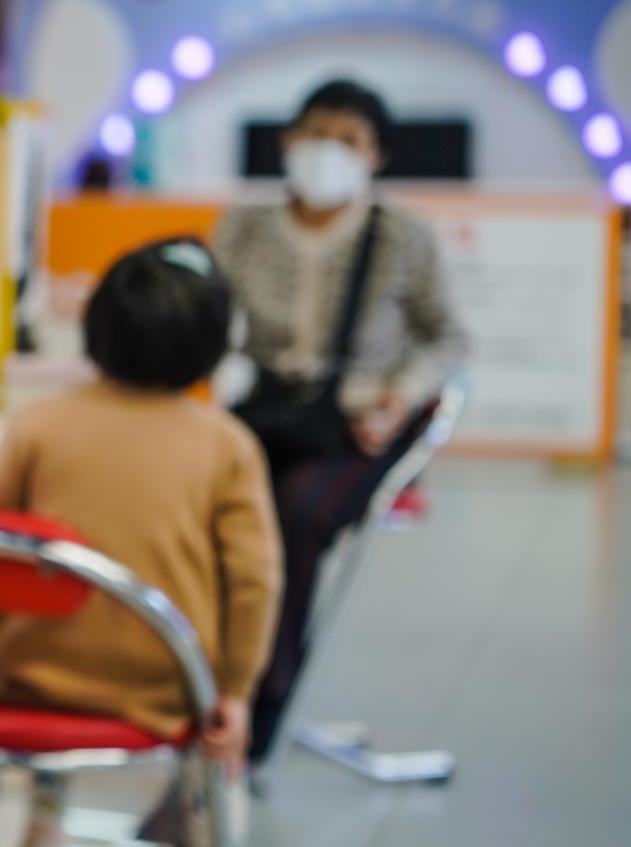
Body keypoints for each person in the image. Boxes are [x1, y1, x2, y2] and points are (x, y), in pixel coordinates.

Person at [0, 240, 282, 846]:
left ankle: (43, 823)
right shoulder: (227, 444)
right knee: (205, 778)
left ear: (98, 325)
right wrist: (237, 694)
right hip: (164, 695)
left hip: (24, 684)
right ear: (214, 344)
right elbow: (255, 581)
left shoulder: (40, 425)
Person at [212, 79, 467, 763]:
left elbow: (445, 337)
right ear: (288, 138)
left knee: (292, 515)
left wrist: (398, 396)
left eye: (348, 139)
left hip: (359, 422)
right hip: (262, 408)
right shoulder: (243, 224)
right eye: (314, 132)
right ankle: (199, 683)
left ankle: (262, 700)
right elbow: (215, 322)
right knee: (210, 505)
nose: (326, 151)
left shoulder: (401, 235)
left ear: (376, 155)